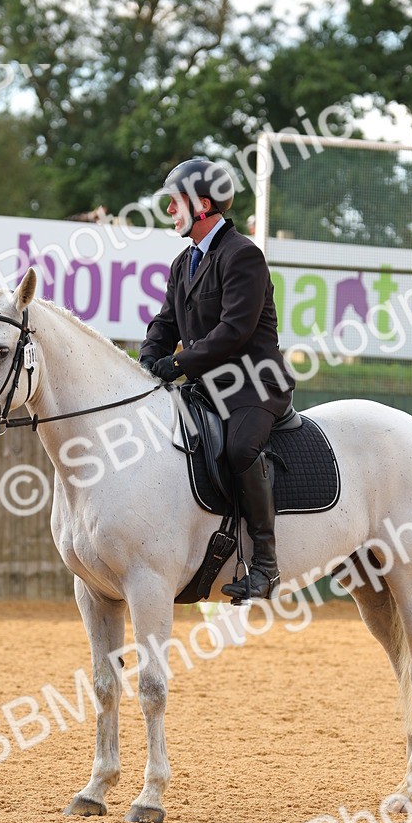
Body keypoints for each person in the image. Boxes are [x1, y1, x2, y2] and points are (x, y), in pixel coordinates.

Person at [139, 158, 295, 601]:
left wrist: (181, 363)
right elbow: (166, 321)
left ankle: (265, 565)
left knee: (239, 447)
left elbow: (235, 330)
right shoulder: (182, 263)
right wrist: (149, 358)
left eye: (176, 202)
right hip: (208, 386)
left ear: (202, 204)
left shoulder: (243, 255)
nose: (171, 210)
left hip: (254, 383)